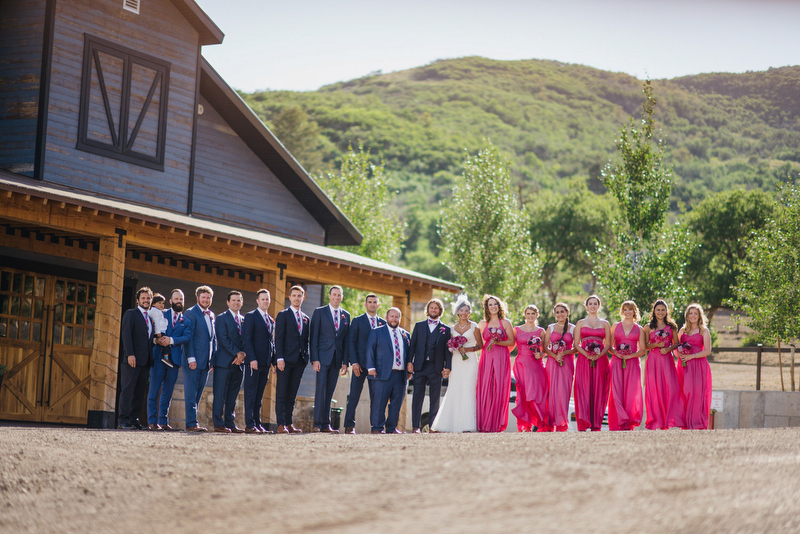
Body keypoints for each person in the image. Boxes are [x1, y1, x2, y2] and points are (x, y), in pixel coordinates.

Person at [431, 296, 482, 433]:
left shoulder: (474, 326)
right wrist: (453, 348)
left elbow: (480, 345)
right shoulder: (451, 329)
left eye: (467, 310)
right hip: (456, 362)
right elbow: (448, 348)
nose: (464, 312)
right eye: (462, 310)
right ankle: (447, 424)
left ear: (469, 312)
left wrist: (468, 349)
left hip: (470, 361)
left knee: (468, 389)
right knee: (454, 388)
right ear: (457, 312)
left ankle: (467, 425)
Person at [146, 289, 190, 431]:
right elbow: (149, 330)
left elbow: (186, 337)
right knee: (154, 389)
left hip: (174, 360)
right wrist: (156, 340)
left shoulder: (186, 321)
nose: (179, 301)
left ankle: (163, 421)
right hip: (158, 357)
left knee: (167, 392)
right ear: (170, 301)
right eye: (176, 299)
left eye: (181, 299)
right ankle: (152, 421)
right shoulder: (160, 313)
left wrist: (170, 340)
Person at [310, 285, 351, 433]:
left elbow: (346, 341)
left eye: (339, 295)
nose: (336, 297)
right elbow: (313, 337)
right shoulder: (319, 312)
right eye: (334, 294)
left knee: (329, 392)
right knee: (320, 390)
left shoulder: (346, 315)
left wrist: (345, 362)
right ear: (329, 296)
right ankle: (317, 423)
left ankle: (326, 424)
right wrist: (314, 359)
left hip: (336, 359)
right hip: (321, 358)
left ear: (342, 297)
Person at [343, 293, 386, 434]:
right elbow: (351, 342)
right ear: (365, 304)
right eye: (370, 302)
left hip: (376, 368)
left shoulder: (383, 323)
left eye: (375, 302)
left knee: (376, 398)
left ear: (378, 305)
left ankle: (376, 427)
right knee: (354, 395)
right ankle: (349, 426)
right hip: (359, 365)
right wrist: (354, 362)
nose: (372, 304)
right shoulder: (357, 321)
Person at [408, 298, 452, 433]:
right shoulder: (419, 326)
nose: (433, 310)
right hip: (420, 366)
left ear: (440, 311)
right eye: (431, 307)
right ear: (428, 310)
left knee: (435, 398)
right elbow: (412, 346)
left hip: (436, 367)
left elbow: (447, 351)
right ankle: (415, 426)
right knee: (417, 397)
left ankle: (433, 426)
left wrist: (448, 367)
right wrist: (410, 361)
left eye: (436, 308)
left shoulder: (445, 329)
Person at [366, 307, 411, 434]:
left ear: (400, 318)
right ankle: (377, 428)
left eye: (397, 317)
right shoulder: (377, 332)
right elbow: (370, 349)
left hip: (400, 375)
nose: (394, 319)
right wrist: (371, 367)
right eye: (392, 316)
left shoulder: (405, 334)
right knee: (379, 403)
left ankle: (391, 428)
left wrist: (409, 370)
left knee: (396, 404)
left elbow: (409, 354)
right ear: (386, 318)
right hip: (381, 373)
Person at [643, 299, 685, 430]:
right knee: (655, 389)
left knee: (670, 388)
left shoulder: (671, 326)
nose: (660, 312)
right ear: (654, 311)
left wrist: (667, 349)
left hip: (667, 359)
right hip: (653, 359)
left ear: (667, 311)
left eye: (663, 310)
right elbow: (645, 346)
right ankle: (656, 421)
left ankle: (669, 420)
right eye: (658, 310)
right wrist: (656, 344)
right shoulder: (648, 327)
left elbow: (677, 343)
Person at [274, 285, 310, 434]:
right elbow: (279, 338)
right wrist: (279, 358)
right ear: (290, 297)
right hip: (285, 360)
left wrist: (306, 357)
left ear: (303, 297)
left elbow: (306, 340)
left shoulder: (306, 318)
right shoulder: (283, 315)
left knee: (292, 394)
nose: (297, 298)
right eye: (294, 296)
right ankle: (281, 424)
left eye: (299, 296)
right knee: (282, 392)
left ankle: (289, 423)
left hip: (300, 361)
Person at [573, 295, 612, 432]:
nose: (593, 306)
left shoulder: (605, 323)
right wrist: (587, 355)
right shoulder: (580, 323)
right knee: (584, 388)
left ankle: (596, 424)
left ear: (599, 306)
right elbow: (576, 344)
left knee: (599, 389)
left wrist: (599, 355)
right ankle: (583, 423)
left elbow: (608, 344)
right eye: (590, 303)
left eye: (595, 303)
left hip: (600, 360)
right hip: (584, 360)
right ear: (586, 306)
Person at [476, 295, 514, 433]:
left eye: (495, 304)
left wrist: (498, 342)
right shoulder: (481, 324)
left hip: (501, 357)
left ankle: (497, 424)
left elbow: (511, 341)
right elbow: (477, 342)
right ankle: (484, 423)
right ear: (486, 307)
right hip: (486, 358)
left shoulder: (505, 322)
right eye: (490, 304)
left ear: (499, 306)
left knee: (499, 388)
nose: (493, 307)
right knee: (485, 387)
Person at [118, 287, 154, 430]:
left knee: (139, 392)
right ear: (138, 300)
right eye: (143, 298)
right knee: (128, 390)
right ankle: (123, 420)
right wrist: (130, 354)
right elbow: (126, 335)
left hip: (145, 362)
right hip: (132, 360)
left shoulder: (150, 318)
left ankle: (134, 419)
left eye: (148, 298)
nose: (146, 300)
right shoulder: (131, 314)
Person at [182, 285, 217, 432]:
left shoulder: (211, 315)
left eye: (208, 297)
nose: (206, 300)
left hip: (206, 362)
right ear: (198, 298)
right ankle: (191, 424)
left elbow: (212, 339)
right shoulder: (191, 313)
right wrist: (191, 358)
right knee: (191, 393)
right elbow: (188, 338)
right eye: (203, 297)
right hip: (193, 361)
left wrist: (213, 359)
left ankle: (193, 422)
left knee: (198, 394)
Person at [211, 290, 246, 433]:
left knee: (233, 396)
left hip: (239, 364)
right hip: (224, 363)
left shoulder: (244, 320)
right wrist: (237, 353)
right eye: (233, 300)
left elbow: (247, 340)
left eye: (238, 300)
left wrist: (243, 355)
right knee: (220, 395)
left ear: (241, 302)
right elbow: (223, 339)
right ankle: (219, 424)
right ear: (228, 302)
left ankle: (230, 423)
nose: (236, 303)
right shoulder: (221, 318)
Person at [608, 300, 646, 431]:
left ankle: (628, 422)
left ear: (634, 311)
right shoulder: (615, 326)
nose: (628, 312)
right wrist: (616, 353)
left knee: (631, 393)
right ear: (622, 311)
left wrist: (630, 356)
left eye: (630, 309)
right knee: (616, 392)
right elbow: (609, 346)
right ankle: (617, 422)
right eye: (625, 309)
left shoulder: (639, 329)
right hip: (617, 362)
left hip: (633, 363)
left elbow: (643, 350)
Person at [242, 289, 276, 434]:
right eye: (263, 299)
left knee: (259, 396)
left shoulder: (270, 319)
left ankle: (257, 423)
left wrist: (273, 361)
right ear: (257, 301)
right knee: (251, 394)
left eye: (267, 299)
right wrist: (252, 359)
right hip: (253, 363)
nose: (265, 301)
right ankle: (249, 425)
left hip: (265, 363)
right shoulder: (251, 316)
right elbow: (247, 339)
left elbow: (271, 342)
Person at [511, 304, 548, 432]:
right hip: (521, 364)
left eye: (533, 313)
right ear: (524, 315)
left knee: (534, 395)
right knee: (523, 394)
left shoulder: (541, 331)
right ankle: (523, 425)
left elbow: (546, 350)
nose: (530, 316)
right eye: (528, 313)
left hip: (536, 366)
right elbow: (511, 346)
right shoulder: (517, 330)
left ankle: (535, 423)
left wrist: (541, 354)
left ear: (537, 315)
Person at [676, 303, 713, 430]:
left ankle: (697, 423)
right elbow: (675, 350)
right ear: (687, 315)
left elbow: (707, 351)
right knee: (685, 392)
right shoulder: (682, 330)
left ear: (699, 316)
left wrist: (691, 356)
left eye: (695, 313)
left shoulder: (704, 330)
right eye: (690, 313)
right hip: (684, 366)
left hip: (699, 366)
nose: (693, 315)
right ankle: (686, 423)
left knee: (698, 393)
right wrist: (680, 354)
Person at [542, 302, 576, 432]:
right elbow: (545, 347)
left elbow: (576, 348)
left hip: (567, 363)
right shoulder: (550, 327)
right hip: (552, 363)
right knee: (551, 391)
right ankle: (550, 423)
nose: (560, 314)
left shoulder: (573, 328)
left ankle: (562, 423)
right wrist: (554, 356)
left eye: (562, 311)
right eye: (557, 312)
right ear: (555, 314)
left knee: (563, 392)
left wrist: (565, 352)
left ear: (567, 313)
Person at [147, 293, 172, 367]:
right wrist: (158, 333)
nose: (162, 305)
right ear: (153, 304)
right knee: (166, 343)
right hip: (159, 332)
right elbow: (156, 323)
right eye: (159, 303)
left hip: (161, 331)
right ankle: (166, 357)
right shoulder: (155, 312)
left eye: (163, 303)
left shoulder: (158, 311)